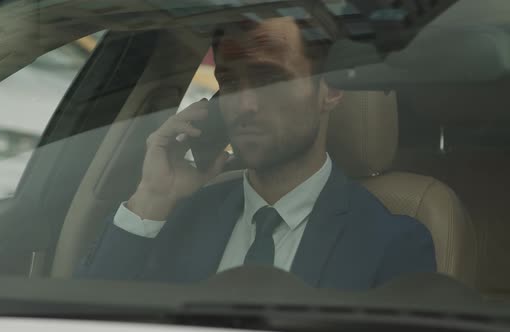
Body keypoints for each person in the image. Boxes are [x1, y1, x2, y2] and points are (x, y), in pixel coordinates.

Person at [77, 16, 436, 290]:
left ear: (329, 91)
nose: (243, 104)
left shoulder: (391, 243)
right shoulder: (175, 217)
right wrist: (153, 198)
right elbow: (86, 320)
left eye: (270, 80)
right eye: (230, 83)